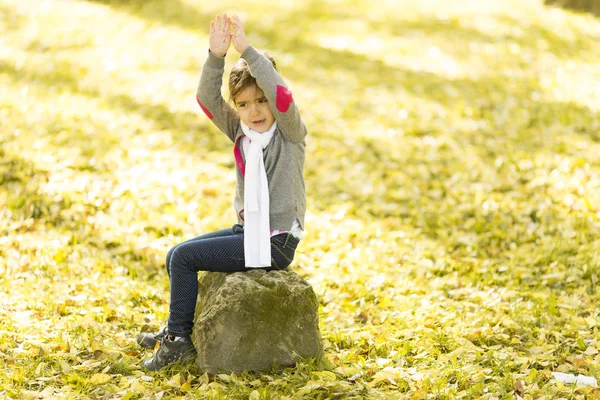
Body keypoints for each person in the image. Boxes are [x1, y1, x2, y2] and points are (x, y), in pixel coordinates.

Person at [138, 13, 308, 371]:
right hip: (250, 232)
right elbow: (206, 99)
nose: (254, 111)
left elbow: (279, 92)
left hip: (274, 241)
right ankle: (177, 326)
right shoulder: (242, 131)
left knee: (185, 259)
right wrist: (216, 56)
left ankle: (178, 343)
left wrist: (245, 48)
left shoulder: (289, 131)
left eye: (261, 101)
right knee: (175, 254)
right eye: (243, 104)